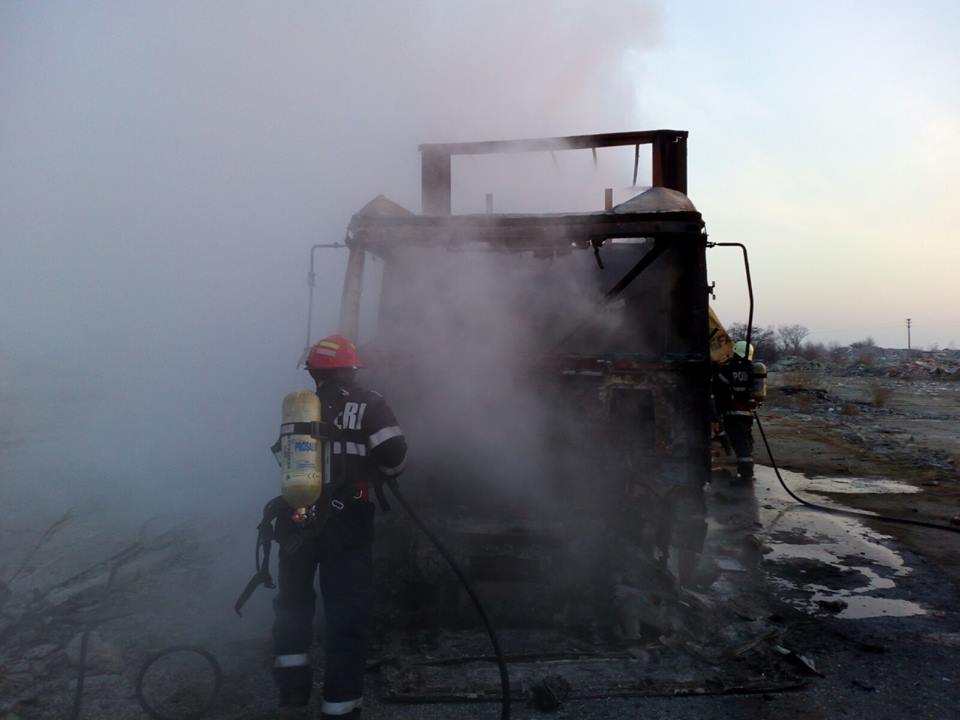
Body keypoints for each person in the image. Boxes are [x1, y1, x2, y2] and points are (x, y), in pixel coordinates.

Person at [272, 335, 407, 718]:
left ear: (314, 373)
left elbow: (283, 458)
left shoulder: (298, 408)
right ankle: (339, 707)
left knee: (293, 606)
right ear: (352, 369)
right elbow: (395, 455)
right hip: (346, 524)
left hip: (297, 520)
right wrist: (377, 472)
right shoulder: (370, 403)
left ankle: (291, 697)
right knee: (346, 614)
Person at [713, 340, 758, 481]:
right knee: (746, 440)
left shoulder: (728, 369)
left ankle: (745, 474)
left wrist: (717, 412)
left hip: (733, 412)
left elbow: (718, 390)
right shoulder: (752, 369)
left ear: (736, 352)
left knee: (740, 442)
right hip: (748, 413)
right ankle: (747, 471)